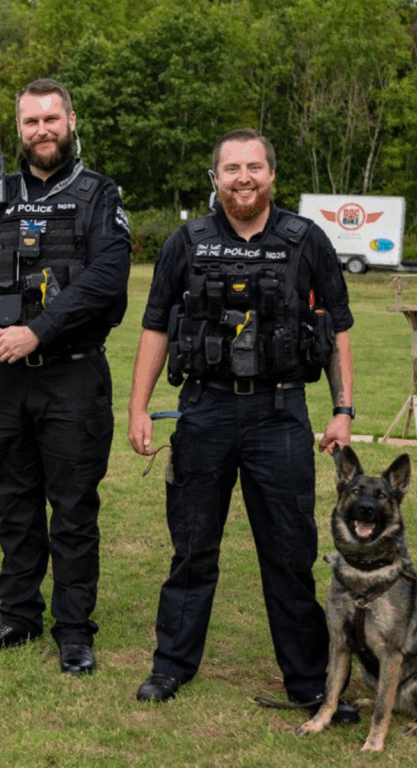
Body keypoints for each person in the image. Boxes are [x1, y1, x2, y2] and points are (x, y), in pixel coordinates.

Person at [127, 128, 358, 721]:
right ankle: (172, 665)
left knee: (288, 552)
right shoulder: (189, 242)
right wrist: (137, 408)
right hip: (204, 410)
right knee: (192, 547)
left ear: (272, 175)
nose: (243, 177)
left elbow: (336, 329)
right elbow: (155, 325)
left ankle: (308, 681)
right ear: (216, 178)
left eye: (253, 166)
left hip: (279, 415)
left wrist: (342, 409)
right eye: (231, 168)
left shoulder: (306, 240)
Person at [0, 78, 130, 676]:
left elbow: (106, 277)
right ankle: (17, 616)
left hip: (72, 375)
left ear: (72, 121)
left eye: (52, 119)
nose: (41, 131)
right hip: (5, 378)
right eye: (30, 122)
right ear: (19, 129)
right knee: (14, 500)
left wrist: (37, 331)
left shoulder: (99, 194)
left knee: (73, 508)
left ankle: (74, 631)